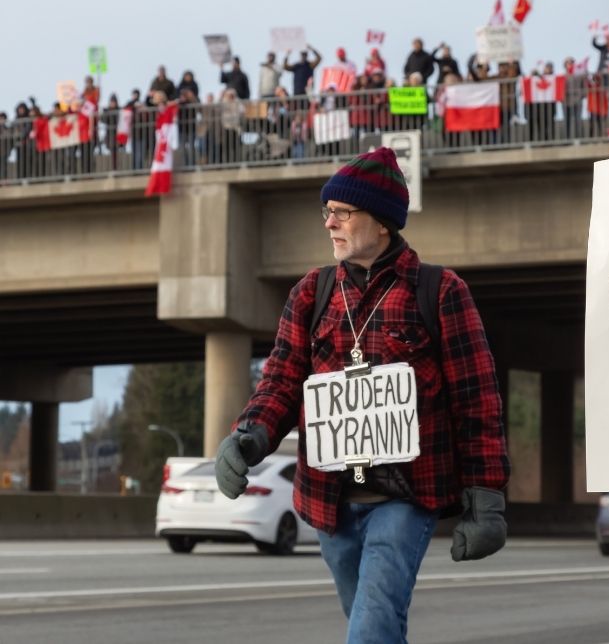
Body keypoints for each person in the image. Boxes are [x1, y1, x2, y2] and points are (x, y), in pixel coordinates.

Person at [214, 147, 510, 644]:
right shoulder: (312, 292)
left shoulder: (440, 291)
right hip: (329, 500)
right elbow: (281, 381)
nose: (329, 223)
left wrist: (487, 497)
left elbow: (476, 399)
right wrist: (250, 435)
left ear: (382, 223)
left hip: (405, 496)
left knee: (371, 628)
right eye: (326, 211)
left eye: (342, 213)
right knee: (373, 625)